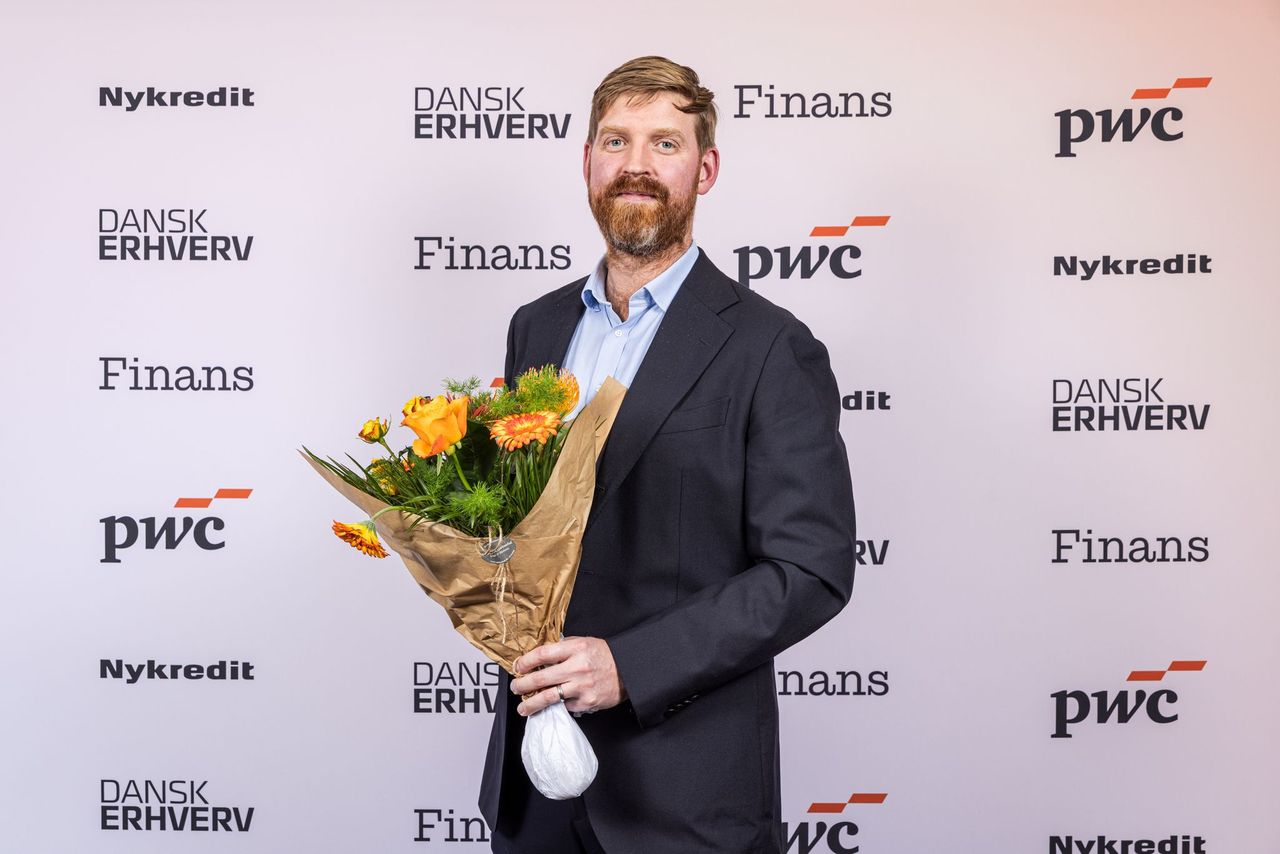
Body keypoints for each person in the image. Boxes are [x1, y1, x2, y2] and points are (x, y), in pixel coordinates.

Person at [481, 55, 857, 854]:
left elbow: (811, 569)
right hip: (536, 783)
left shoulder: (770, 347)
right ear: (588, 163)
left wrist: (631, 664)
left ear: (704, 169)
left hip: (685, 799)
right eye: (616, 141)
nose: (637, 166)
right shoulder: (535, 327)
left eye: (665, 143)